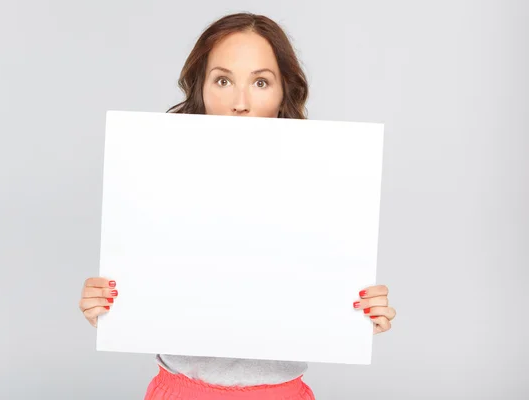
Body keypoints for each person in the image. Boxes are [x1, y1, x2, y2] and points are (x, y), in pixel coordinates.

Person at [78, 12, 397, 400]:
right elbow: (154, 294)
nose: (240, 102)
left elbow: (320, 295)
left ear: (283, 93)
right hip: (181, 393)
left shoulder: (325, 185)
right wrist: (112, 308)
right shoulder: (156, 178)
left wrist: (360, 312)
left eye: (260, 82)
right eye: (223, 80)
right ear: (202, 88)